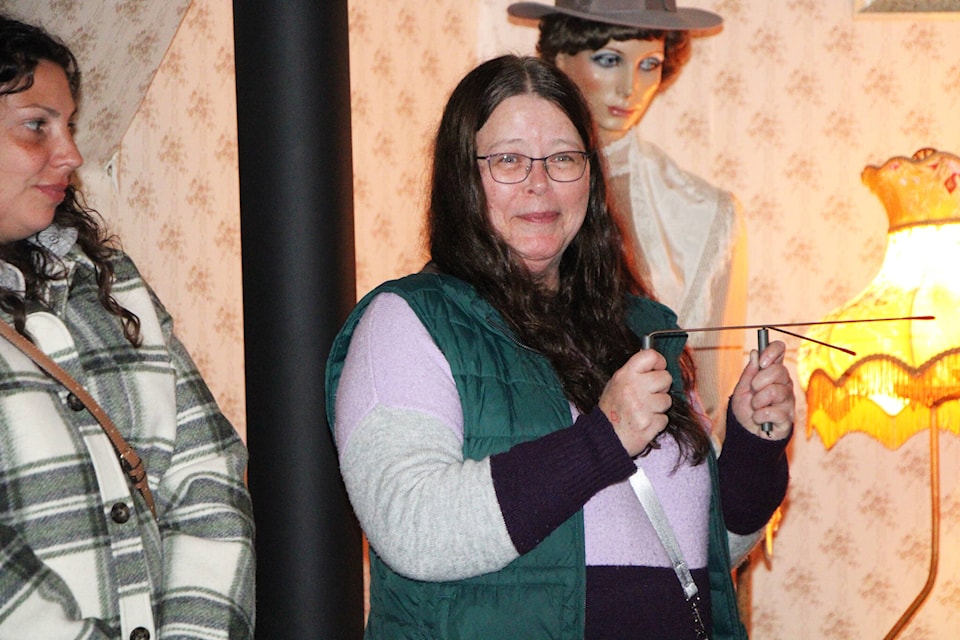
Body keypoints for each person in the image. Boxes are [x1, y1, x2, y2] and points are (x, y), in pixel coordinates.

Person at [326, 55, 792, 639]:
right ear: (460, 179)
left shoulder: (643, 328)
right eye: (509, 159)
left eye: (564, 158)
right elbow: (413, 527)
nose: (539, 183)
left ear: (590, 177)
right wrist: (604, 437)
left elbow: (701, 552)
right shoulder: (405, 321)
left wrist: (755, 445)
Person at [0, 14, 254, 638]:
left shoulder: (111, 279)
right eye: (37, 126)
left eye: (70, 125)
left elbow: (208, 478)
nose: (72, 154)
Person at [507, 0, 748, 440]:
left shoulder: (705, 213)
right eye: (609, 59)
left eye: (649, 63)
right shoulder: (508, 194)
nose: (630, 88)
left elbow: (714, 391)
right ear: (559, 57)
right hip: (540, 458)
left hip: (669, 471)